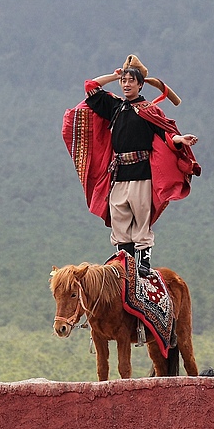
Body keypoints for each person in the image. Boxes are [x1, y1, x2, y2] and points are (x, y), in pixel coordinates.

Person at [64, 55, 200, 277]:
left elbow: (166, 133)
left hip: (142, 172)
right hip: (118, 172)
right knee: (119, 216)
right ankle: (123, 262)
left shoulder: (149, 110)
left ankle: (143, 263)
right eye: (124, 81)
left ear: (140, 84)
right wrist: (114, 75)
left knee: (141, 215)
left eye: (130, 80)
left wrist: (180, 140)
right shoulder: (115, 107)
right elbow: (91, 87)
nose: (126, 84)